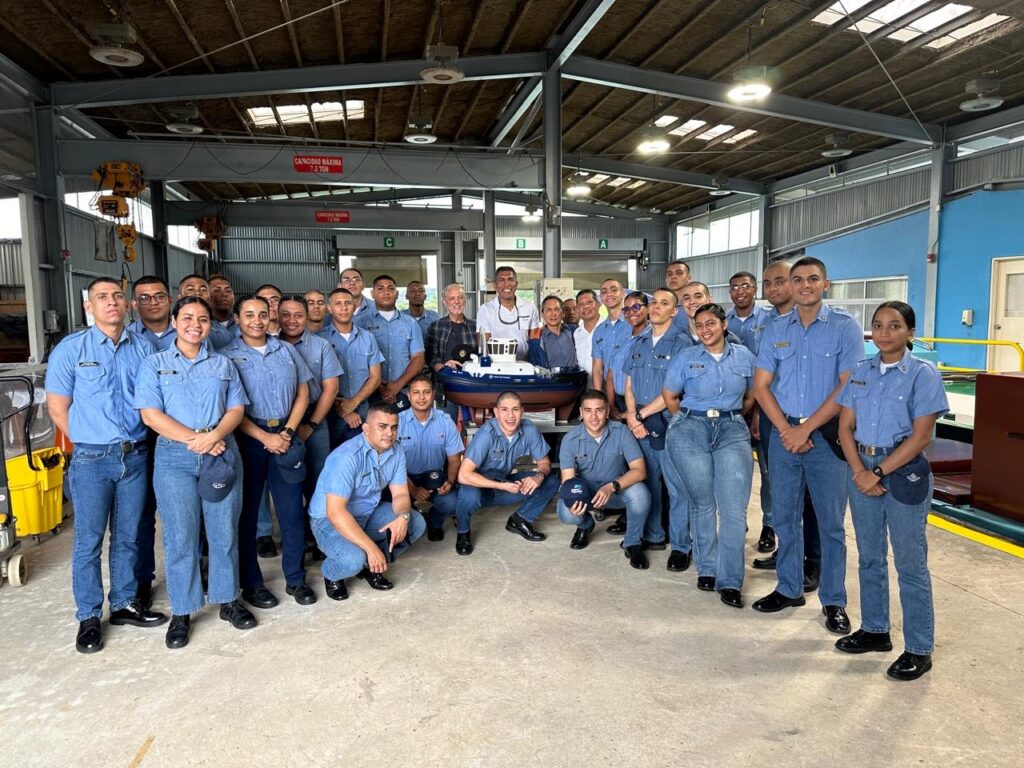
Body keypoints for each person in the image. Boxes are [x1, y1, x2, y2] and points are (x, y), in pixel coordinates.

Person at [45, 277, 167, 654]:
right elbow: (57, 407)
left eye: (117, 296)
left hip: (135, 454)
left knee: (129, 535)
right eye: (102, 297)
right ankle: (88, 616)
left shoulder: (143, 347)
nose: (111, 302)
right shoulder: (71, 349)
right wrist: (86, 439)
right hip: (92, 458)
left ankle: (124, 604)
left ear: (128, 305)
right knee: (88, 541)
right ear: (89, 307)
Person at [835, 302, 948, 681]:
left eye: (895, 326)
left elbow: (921, 436)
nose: (884, 332)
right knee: (869, 557)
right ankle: (875, 629)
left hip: (903, 472)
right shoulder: (861, 373)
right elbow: (844, 428)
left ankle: (919, 647)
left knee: (909, 563)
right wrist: (859, 471)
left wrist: (879, 471)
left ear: (910, 333)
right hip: (861, 466)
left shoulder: (922, 374)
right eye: (878, 325)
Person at [135, 296, 256, 649]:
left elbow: (236, 408)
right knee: (180, 536)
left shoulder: (222, 364)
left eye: (203, 319)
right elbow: (150, 415)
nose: (195, 324)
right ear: (174, 321)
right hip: (175, 456)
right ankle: (183, 611)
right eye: (187, 317)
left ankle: (228, 599)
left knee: (224, 531)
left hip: (220, 451)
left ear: (210, 326)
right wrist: (197, 440)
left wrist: (215, 436)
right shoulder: (154, 364)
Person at [751, 256, 864, 635]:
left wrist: (806, 430)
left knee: (831, 524)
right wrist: (786, 430)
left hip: (827, 439)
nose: (804, 285)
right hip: (785, 436)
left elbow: (847, 385)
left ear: (825, 284)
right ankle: (788, 588)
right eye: (797, 279)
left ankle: (834, 601)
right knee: (785, 516)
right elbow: (762, 385)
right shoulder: (776, 328)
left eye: (812, 279)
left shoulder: (845, 328)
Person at [221, 295, 315, 609]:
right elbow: (229, 407)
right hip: (249, 438)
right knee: (247, 515)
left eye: (263, 314)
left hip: (286, 436)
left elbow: (303, 392)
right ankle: (253, 583)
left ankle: (296, 579)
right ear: (237, 318)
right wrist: (264, 436)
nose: (257, 321)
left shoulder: (285, 350)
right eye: (249, 315)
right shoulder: (226, 357)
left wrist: (288, 431)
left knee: (291, 514)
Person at [663, 303, 757, 609]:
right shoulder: (686, 357)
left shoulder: (744, 357)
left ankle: (730, 580)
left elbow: (755, 391)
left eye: (710, 324)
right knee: (702, 502)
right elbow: (669, 394)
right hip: (691, 427)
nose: (705, 330)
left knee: (733, 509)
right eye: (699, 325)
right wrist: (681, 420)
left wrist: (738, 414)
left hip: (731, 429)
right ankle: (708, 568)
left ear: (724, 324)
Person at [309, 403, 427, 600]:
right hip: (329, 521)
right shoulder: (347, 457)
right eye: (382, 426)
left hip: (368, 513)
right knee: (352, 559)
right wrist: (370, 549)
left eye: (394, 427)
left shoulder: (396, 450)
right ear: (366, 428)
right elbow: (335, 513)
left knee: (416, 523)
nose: (389, 433)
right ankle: (332, 574)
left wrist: (403, 517)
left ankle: (372, 566)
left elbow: (400, 494)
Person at [624, 288, 693, 565]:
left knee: (677, 487)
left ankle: (680, 546)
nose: (656, 307)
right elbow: (629, 383)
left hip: (669, 423)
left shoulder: (682, 344)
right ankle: (653, 535)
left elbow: (674, 390)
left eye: (664, 303)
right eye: (654, 302)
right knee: (648, 480)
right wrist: (631, 415)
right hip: (638, 422)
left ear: (674, 311)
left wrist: (641, 415)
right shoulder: (639, 343)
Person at [455, 391, 559, 555]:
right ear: (496, 412)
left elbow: (544, 463)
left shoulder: (529, 428)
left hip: (503, 485)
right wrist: (501, 486)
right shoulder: (486, 434)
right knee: (469, 495)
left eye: (515, 409)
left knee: (551, 481)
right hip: (479, 488)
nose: (510, 415)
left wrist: (538, 477)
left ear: (522, 411)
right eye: (504, 410)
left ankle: (520, 520)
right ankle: (462, 531)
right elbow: (463, 475)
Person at [557, 389, 649, 565]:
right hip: (587, 496)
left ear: (607, 412)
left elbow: (640, 470)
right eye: (588, 410)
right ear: (581, 413)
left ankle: (633, 543)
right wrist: (574, 502)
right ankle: (585, 526)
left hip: (614, 492)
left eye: (599, 410)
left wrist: (611, 487)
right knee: (565, 512)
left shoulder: (621, 432)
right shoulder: (570, 439)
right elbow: (568, 482)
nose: (594, 416)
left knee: (640, 493)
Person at [278, 296, 343, 505]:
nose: (292, 320)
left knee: (319, 476)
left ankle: (316, 526)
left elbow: (331, 389)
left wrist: (312, 424)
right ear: (277, 317)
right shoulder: (270, 345)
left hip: (314, 418)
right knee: (286, 480)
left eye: (298, 315)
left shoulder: (321, 346)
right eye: (285, 315)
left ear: (306, 317)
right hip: (280, 421)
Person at [398, 375, 463, 541]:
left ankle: (434, 522)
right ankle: (413, 519)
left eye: (426, 392)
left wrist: (449, 481)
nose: (421, 397)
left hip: (436, 476)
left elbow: (454, 460)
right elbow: (391, 464)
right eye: (416, 392)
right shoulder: (397, 422)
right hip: (403, 478)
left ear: (433, 394)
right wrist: (412, 489)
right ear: (409, 396)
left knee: (451, 501)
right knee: (391, 503)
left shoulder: (445, 421)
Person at [319, 288, 384, 448]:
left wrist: (353, 403)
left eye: (348, 303)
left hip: (362, 410)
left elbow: (375, 377)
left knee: (363, 458)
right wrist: (343, 410)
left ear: (355, 306)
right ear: (329, 308)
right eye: (338, 304)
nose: (344, 308)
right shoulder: (320, 339)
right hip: (328, 413)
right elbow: (316, 381)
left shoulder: (368, 338)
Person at [355, 274, 425, 406]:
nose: (386, 292)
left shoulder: (410, 323)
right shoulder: (359, 322)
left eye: (390, 288)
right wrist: (381, 387)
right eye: (380, 289)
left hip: (404, 392)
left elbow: (418, 359)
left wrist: (397, 386)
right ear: (372, 293)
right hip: (368, 394)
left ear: (397, 293)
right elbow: (357, 360)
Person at [426, 283, 477, 422]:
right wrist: (443, 367)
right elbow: (430, 357)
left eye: (460, 298)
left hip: (472, 386)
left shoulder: (476, 326)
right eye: (452, 298)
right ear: (444, 303)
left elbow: (482, 355)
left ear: (465, 301)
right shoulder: (436, 326)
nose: (456, 302)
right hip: (446, 387)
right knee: (446, 427)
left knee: (472, 427)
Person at [475, 265, 540, 361]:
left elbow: (534, 341)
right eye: (501, 280)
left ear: (516, 284)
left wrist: (526, 362)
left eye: (510, 279)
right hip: (495, 365)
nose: (507, 284)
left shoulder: (530, 307)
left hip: (525, 364)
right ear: (495, 285)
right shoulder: (485, 310)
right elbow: (484, 344)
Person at [591, 279, 629, 402]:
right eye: (604, 292)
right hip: (611, 395)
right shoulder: (599, 332)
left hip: (636, 394)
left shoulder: (634, 324)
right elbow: (597, 368)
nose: (609, 294)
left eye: (614, 290)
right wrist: (598, 399)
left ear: (623, 293)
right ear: (601, 299)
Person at [528, 295, 578, 369]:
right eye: (548, 310)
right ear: (542, 314)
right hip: (550, 380)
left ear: (563, 313)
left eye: (557, 309)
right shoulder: (536, 341)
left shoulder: (574, 331)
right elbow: (534, 368)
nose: (553, 314)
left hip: (576, 379)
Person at [128, 276, 175, 350]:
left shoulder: (188, 331)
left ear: (170, 300)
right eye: (144, 298)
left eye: (160, 297)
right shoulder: (126, 335)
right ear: (135, 305)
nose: (153, 303)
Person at [572, 289, 602, 378]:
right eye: (581, 304)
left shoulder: (608, 330)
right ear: (577, 309)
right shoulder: (577, 333)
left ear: (598, 304)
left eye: (589, 302)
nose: (585, 307)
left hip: (606, 389)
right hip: (583, 387)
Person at [725, 271, 759, 342]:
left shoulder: (768, 318)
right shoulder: (724, 321)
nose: (740, 292)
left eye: (746, 286)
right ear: (730, 292)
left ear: (755, 290)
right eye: (734, 288)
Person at [209, 276, 240, 349]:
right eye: (217, 290)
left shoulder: (243, 322)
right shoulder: (202, 324)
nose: (224, 294)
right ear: (207, 295)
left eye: (228, 291)